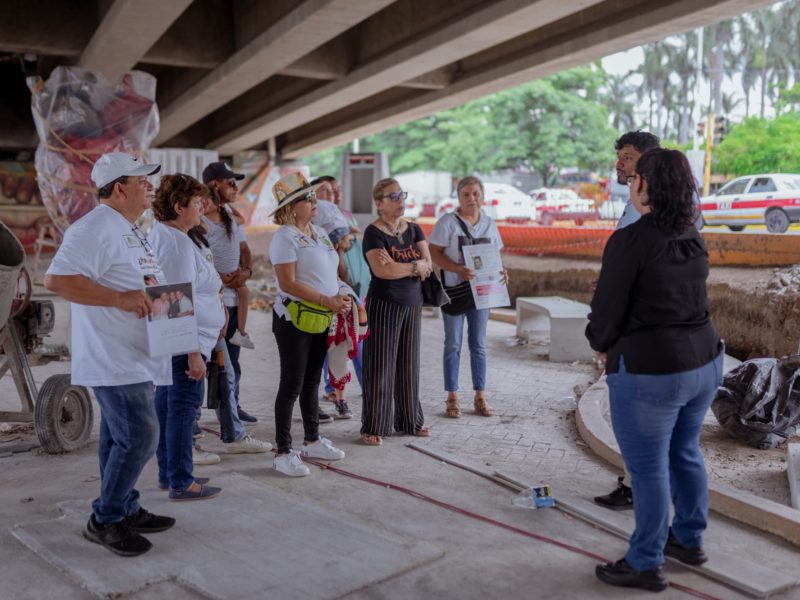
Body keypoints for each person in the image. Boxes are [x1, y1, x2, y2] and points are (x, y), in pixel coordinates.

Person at [586, 148, 723, 592]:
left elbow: (606, 312)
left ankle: (645, 561)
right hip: (703, 362)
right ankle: (688, 538)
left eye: (632, 178)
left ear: (644, 183)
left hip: (652, 371)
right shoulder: (691, 232)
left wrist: (600, 345)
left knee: (647, 471)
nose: (630, 184)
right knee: (684, 452)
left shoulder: (631, 240)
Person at [44, 151, 174, 557]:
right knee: (141, 435)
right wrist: (118, 298)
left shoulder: (130, 229)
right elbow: (58, 279)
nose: (150, 186)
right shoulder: (95, 226)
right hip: (111, 354)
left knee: (118, 438)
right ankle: (105, 518)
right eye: (142, 180)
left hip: (137, 352)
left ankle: (125, 507)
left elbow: (143, 283)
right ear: (119, 188)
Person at [594, 129, 661, 511]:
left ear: (648, 161)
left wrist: (602, 337)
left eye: (628, 156)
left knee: (637, 417)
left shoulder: (658, 213)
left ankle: (642, 492)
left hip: (639, 332)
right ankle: (636, 482)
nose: (618, 163)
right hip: (634, 325)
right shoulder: (635, 203)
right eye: (619, 155)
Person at [268, 172, 350, 477]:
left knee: (313, 381)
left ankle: (312, 439)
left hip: (321, 315)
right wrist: (325, 300)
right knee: (291, 385)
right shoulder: (284, 237)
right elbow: (287, 282)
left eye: (314, 196)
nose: (315, 201)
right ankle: (283, 451)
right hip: (294, 318)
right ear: (291, 207)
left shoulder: (318, 232)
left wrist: (341, 295)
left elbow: (331, 273)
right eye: (308, 198)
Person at [149, 174, 224, 501]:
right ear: (178, 207)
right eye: (196, 203)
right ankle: (181, 479)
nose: (203, 208)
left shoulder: (172, 235)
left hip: (179, 336)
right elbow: (175, 299)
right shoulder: (176, 243)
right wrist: (192, 351)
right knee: (182, 407)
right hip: (184, 339)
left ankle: (171, 471)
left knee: (169, 406)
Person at [360, 177, 433, 446]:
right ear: (379, 203)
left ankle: (410, 421)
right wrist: (414, 267)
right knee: (381, 365)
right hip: (385, 302)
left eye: (401, 195)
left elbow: (429, 263)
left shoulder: (414, 229)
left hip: (412, 301)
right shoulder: (373, 232)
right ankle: (375, 424)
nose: (400, 200)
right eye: (393, 196)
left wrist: (406, 267)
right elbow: (383, 270)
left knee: (408, 364)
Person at [429, 175, 508, 419]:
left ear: (482, 197)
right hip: (454, 293)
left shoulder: (489, 224)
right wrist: (456, 269)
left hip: (482, 295)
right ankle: (452, 396)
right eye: (466, 194)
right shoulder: (447, 223)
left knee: (479, 346)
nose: (472, 199)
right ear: (459, 197)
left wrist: (502, 272)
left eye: (476, 194)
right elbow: (434, 254)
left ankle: (480, 396)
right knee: (452, 344)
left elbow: (494, 256)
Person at [202, 161, 258, 422]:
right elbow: (198, 258)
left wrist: (246, 272)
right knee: (206, 361)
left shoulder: (232, 218)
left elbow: (245, 251)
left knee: (232, 361)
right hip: (213, 299)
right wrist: (218, 280)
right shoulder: (199, 221)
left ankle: (232, 407)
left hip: (235, 298)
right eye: (231, 183)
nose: (236, 188)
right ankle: (203, 415)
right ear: (215, 185)